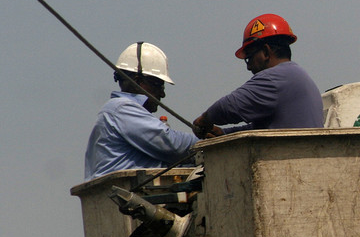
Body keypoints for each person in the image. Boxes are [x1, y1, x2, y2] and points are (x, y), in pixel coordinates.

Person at [192, 13, 323, 136]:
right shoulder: (298, 76)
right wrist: (224, 134)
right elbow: (260, 130)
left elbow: (230, 106)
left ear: (266, 52)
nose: (249, 67)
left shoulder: (274, 79)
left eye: (249, 58)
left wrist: (205, 119)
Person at [84, 42, 197, 179]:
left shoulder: (120, 111)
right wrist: (214, 142)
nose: (162, 94)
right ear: (137, 82)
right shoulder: (122, 109)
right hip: (124, 195)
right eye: (158, 85)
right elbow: (172, 145)